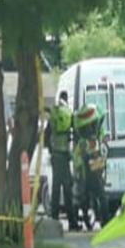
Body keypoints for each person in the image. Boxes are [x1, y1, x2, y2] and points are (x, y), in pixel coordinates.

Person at [45, 92, 77, 230]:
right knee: (68, 189)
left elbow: (46, 137)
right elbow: (75, 134)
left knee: (56, 188)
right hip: (65, 156)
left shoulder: (54, 115)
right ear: (67, 99)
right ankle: (72, 222)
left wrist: (52, 150)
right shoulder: (69, 114)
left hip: (56, 157)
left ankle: (54, 219)